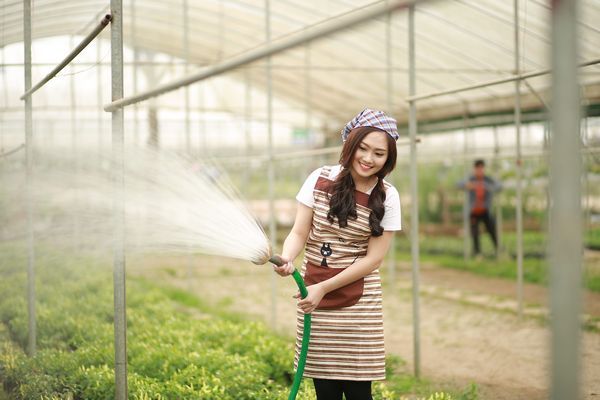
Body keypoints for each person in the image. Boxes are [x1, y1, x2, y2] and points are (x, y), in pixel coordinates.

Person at [273, 108, 402, 400]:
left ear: (388, 158)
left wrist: (324, 288)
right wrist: (288, 258)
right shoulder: (319, 179)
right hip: (313, 293)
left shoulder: (388, 195)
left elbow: (374, 259)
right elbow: (299, 232)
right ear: (350, 145)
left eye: (379, 154)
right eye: (363, 149)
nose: (369, 159)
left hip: (358, 305)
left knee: (359, 393)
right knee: (326, 391)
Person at [457, 159, 502, 258]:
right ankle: (477, 253)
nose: (479, 171)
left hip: (485, 211)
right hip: (474, 211)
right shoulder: (471, 179)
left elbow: (499, 186)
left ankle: (498, 250)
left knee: (492, 230)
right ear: (474, 169)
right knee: (475, 233)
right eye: (477, 168)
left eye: (481, 168)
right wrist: (467, 185)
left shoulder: (487, 180)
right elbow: (458, 184)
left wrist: (487, 187)